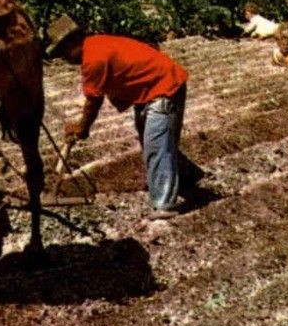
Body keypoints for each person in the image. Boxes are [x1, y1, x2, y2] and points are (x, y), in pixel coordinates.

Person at [44, 15, 192, 218]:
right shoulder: (97, 45)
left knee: (157, 144)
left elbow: (93, 102)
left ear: (73, 42)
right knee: (153, 141)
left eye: (63, 53)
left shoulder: (93, 58)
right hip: (151, 88)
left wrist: (81, 128)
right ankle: (180, 180)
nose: (65, 59)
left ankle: (164, 205)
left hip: (163, 87)